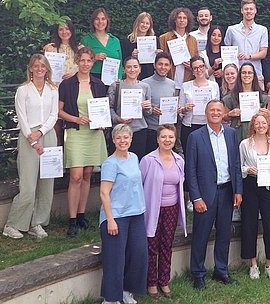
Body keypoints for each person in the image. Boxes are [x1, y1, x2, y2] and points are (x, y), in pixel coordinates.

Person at [186, 100, 243, 290]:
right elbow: (191, 170)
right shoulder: (195, 136)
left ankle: (221, 270)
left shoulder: (231, 134)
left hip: (227, 191)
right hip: (205, 195)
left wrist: (238, 190)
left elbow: (235, 164)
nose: (216, 113)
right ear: (206, 112)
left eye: (219, 110)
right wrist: (196, 197)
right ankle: (198, 273)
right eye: (212, 110)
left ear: (224, 112)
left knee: (224, 234)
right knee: (201, 235)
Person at [3, 54, 58, 240]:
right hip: (28, 137)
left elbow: (54, 115)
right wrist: (33, 140)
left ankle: (37, 223)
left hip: (48, 134)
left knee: (47, 183)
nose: (40, 69)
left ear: (47, 69)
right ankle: (13, 224)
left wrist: (41, 133)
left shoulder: (52, 89)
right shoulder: (23, 90)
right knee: (28, 185)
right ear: (31, 69)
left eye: (43, 66)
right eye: (36, 66)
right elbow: (22, 117)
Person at [58, 47, 108, 237]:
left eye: (89, 61)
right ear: (77, 61)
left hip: (94, 134)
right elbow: (59, 111)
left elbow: (102, 109)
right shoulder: (67, 84)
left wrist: (102, 124)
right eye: (83, 60)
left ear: (93, 63)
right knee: (76, 176)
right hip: (76, 132)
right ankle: (71, 220)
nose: (85, 64)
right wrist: (75, 119)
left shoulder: (98, 83)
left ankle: (81, 215)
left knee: (88, 174)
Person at [99, 124, 147, 304]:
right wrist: (110, 220)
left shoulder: (134, 158)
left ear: (131, 139)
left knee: (138, 254)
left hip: (136, 213)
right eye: (118, 138)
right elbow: (104, 193)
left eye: (126, 137)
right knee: (115, 258)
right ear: (113, 140)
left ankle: (126, 291)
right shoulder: (110, 164)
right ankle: (111, 298)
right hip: (116, 216)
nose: (122, 141)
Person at [140, 124, 187, 298]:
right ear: (157, 139)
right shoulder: (148, 160)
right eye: (164, 137)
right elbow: (140, 185)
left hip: (171, 209)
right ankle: (151, 283)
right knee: (152, 246)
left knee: (166, 245)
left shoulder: (179, 160)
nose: (167, 140)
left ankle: (164, 281)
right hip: (152, 210)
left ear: (175, 139)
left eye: (171, 137)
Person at [239, 113, 270, 281]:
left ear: (268, 125)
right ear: (253, 126)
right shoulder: (244, 144)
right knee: (249, 224)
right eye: (257, 123)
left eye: (263, 123)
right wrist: (247, 170)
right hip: (250, 185)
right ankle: (253, 264)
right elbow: (239, 166)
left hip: (268, 187)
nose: (261, 126)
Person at [107, 57, 152, 159]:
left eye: (135, 67)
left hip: (139, 130)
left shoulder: (145, 86)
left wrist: (147, 108)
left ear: (140, 69)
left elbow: (148, 113)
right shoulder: (116, 85)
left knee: (137, 162)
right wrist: (118, 119)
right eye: (129, 67)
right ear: (124, 69)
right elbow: (108, 108)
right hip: (120, 131)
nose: (132, 70)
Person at [178, 56, 220, 153]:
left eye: (201, 66)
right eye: (195, 68)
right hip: (189, 127)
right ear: (192, 71)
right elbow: (180, 112)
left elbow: (218, 107)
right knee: (190, 157)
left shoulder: (214, 85)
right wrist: (185, 109)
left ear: (205, 67)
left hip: (208, 126)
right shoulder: (185, 86)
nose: (199, 70)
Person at [224, 0, 268, 87]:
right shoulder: (232, 30)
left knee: (258, 100)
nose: (248, 11)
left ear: (255, 11)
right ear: (241, 11)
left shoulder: (262, 30)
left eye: (251, 9)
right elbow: (226, 52)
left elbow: (263, 53)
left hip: (256, 74)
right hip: (235, 75)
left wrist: (249, 56)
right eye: (246, 9)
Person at [223, 62, 270, 143]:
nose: (246, 75)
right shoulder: (231, 96)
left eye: (250, 73)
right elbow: (224, 117)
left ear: (254, 75)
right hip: (238, 132)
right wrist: (230, 114)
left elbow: (265, 118)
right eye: (244, 73)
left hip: (256, 131)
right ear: (240, 75)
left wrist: (267, 114)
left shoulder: (261, 96)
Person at [141, 52, 176, 155]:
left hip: (168, 131)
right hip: (151, 130)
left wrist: (176, 109)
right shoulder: (145, 83)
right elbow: (140, 107)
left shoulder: (172, 84)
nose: (163, 67)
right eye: (160, 64)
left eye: (166, 65)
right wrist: (151, 109)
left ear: (170, 67)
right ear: (154, 65)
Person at [159, 7, 199, 90]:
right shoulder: (164, 38)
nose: (182, 20)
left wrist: (192, 65)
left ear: (188, 21)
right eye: (179, 18)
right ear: (174, 20)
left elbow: (196, 59)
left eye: (184, 18)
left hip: (187, 81)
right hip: (170, 80)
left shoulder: (193, 40)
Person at [80, 8, 123, 83]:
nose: (100, 22)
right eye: (97, 19)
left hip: (112, 79)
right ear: (93, 21)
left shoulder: (115, 41)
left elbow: (120, 63)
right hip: (92, 79)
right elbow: (80, 62)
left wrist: (119, 80)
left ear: (107, 21)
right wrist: (94, 57)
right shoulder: (86, 40)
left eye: (103, 19)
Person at [121, 12, 161, 80]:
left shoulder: (155, 41)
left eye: (147, 23)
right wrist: (132, 57)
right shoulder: (127, 42)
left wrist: (159, 54)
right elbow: (124, 62)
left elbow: (158, 61)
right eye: (142, 22)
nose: (144, 25)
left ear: (150, 26)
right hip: (133, 77)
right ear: (137, 23)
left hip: (150, 75)